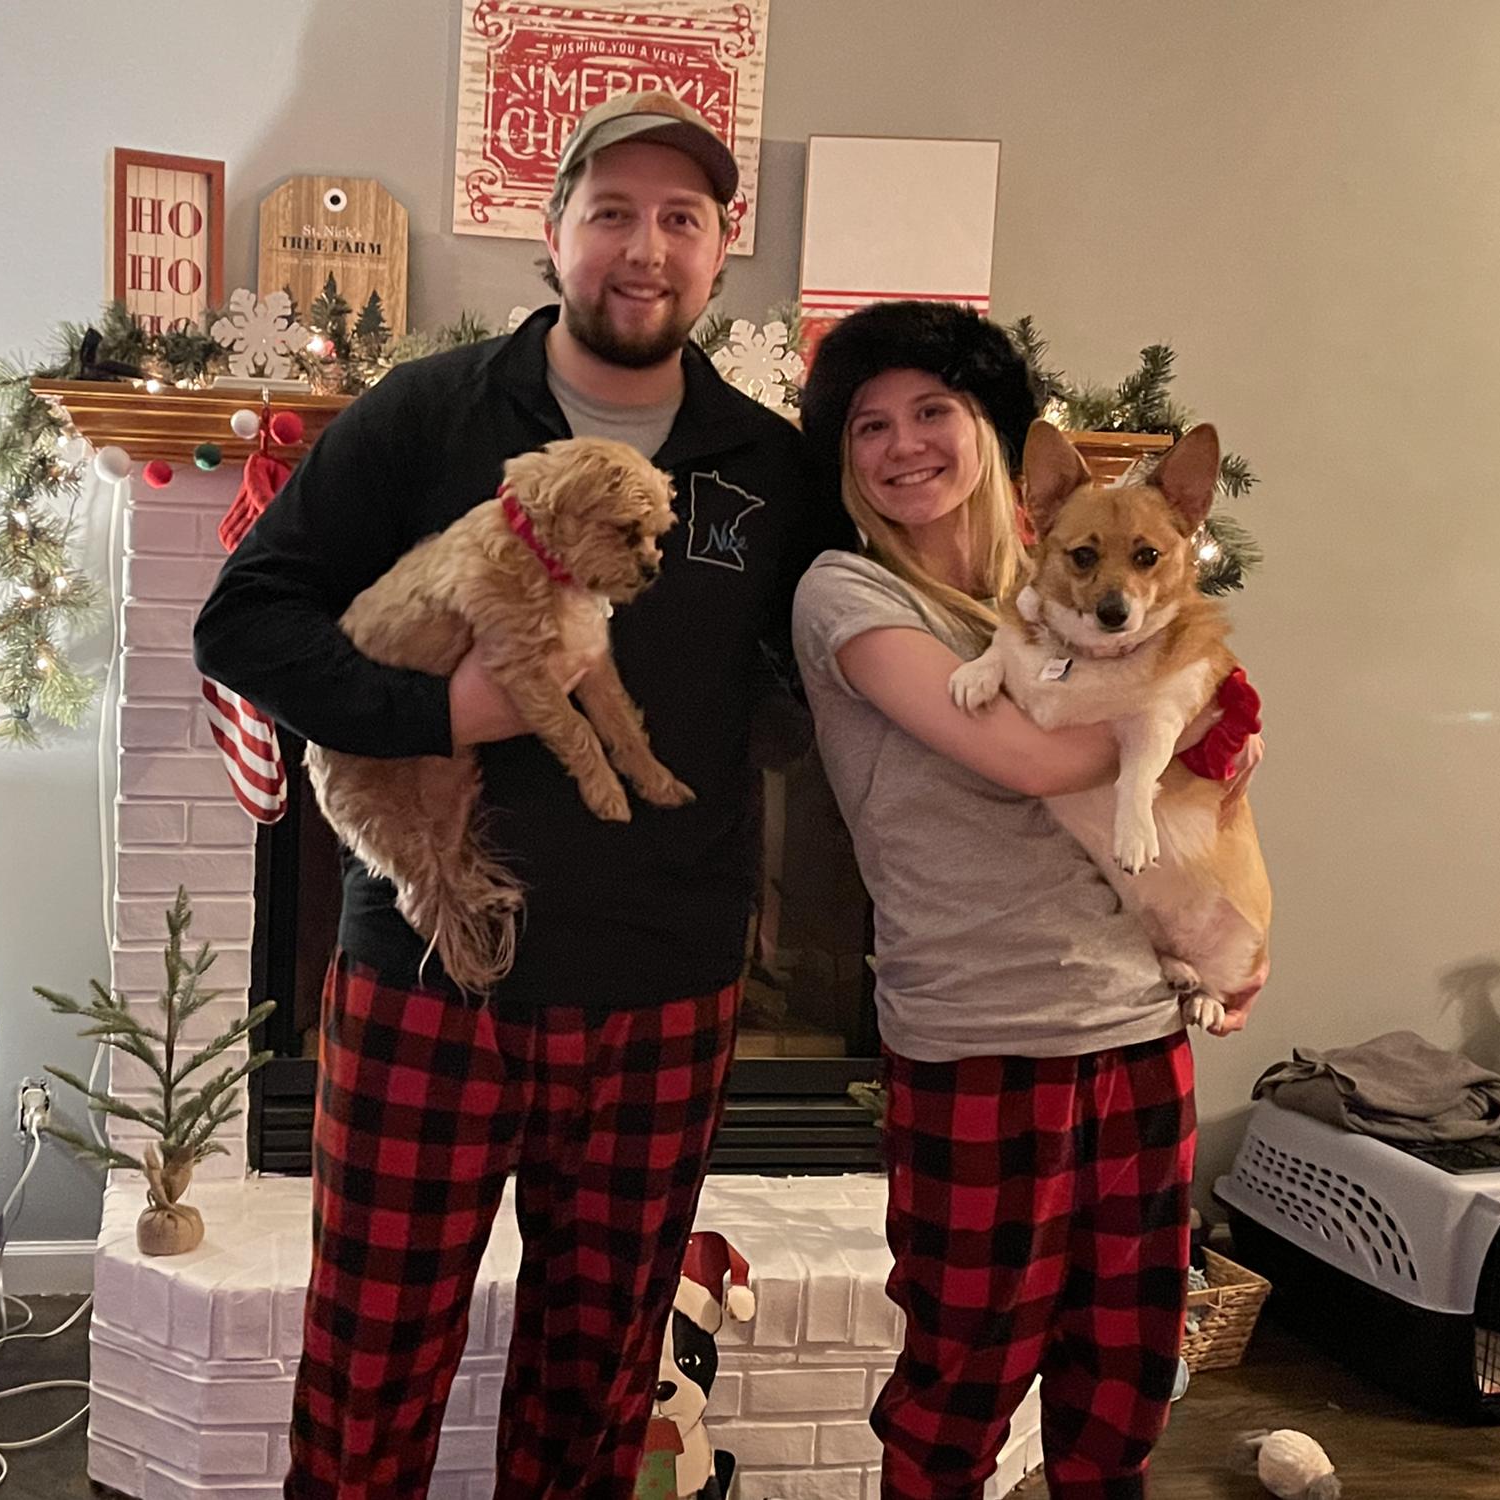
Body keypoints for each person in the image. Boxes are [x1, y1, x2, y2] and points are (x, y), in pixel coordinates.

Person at [193, 92, 845, 1499]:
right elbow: (244, 624)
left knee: (595, 1394)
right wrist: (440, 712)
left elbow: (856, 659)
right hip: (428, 983)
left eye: (680, 219)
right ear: (552, 235)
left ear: (720, 250)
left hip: (663, 990)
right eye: (611, 213)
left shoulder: (772, 467)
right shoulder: (425, 415)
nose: (644, 248)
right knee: (366, 1381)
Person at [791, 300, 1264, 1500]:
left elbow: (1191, 760)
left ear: (989, 432)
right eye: (867, 425)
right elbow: (1031, 759)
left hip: (1134, 1021)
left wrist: (1220, 894)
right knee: (959, 1387)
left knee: (1124, 1385)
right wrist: (1194, 712)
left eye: (931, 410)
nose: (903, 444)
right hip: (979, 1037)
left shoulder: (1055, 583)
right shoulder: (847, 595)